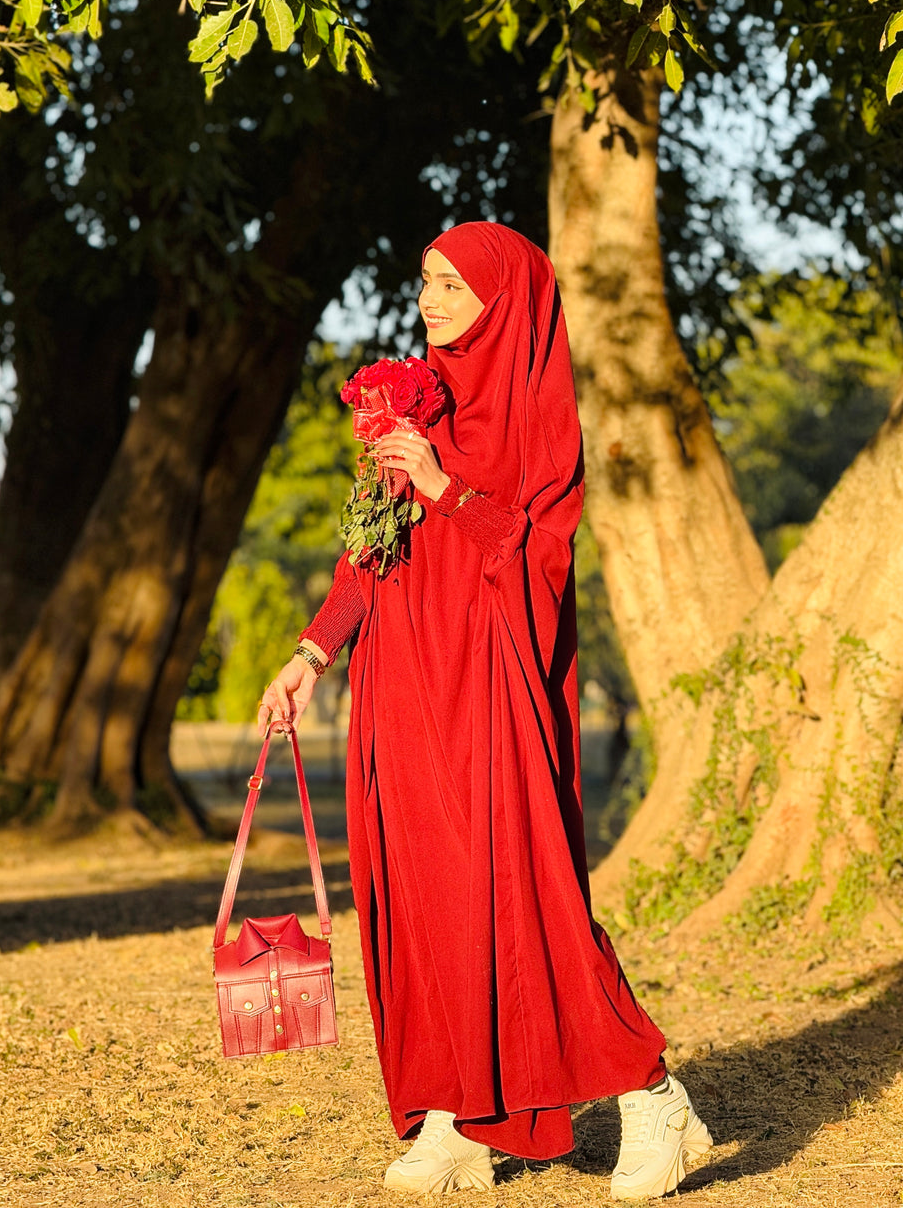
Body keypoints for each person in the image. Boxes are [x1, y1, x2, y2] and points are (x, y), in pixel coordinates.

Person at [258, 222, 711, 1198]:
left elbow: (538, 555)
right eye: (424, 281)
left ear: (506, 299)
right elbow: (365, 546)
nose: (432, 301)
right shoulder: (409, 399)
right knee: (420, 894)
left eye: (454, 287)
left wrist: (445, 484)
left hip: (492, 681)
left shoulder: (534, 411)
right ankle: (458, 1114)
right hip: (399, 682)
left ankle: (650, 1092)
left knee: (526, 890)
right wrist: (310, 652)